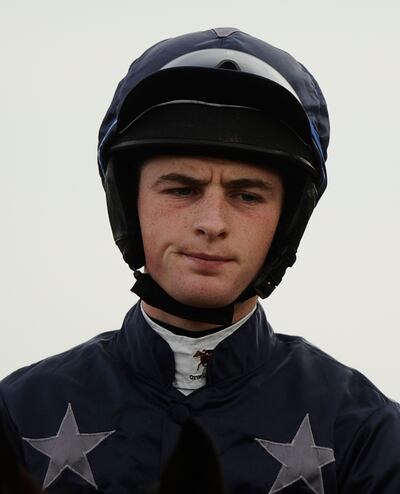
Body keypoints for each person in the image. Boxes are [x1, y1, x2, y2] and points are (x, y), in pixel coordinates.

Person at [1, 27, 399, 494]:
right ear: (129, 205)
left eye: (247, 195)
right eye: (182, 189)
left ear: (286, 222)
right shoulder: (16, 416)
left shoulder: (366, 436)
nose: (212, 222)